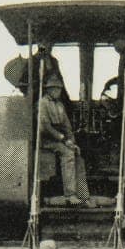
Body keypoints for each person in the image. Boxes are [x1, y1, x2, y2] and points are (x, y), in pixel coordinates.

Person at [38, 75, 89, 205]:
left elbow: (67, 126)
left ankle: (83, 195)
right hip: (46, 140)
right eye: (55, 89)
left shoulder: (59, 105)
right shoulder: (42, 103)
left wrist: (72, 141)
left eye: (59, 89)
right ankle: (70, 195)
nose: (58, 92)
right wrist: (64, 140)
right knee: (68, 153)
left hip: (60, 140)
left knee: (77, 152)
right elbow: (45, 127)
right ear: (49, 90)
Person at [100, 37, 125, 109]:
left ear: (122, 41)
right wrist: (111, 82)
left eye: (115, 43)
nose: (114, 46)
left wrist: (111, 82)